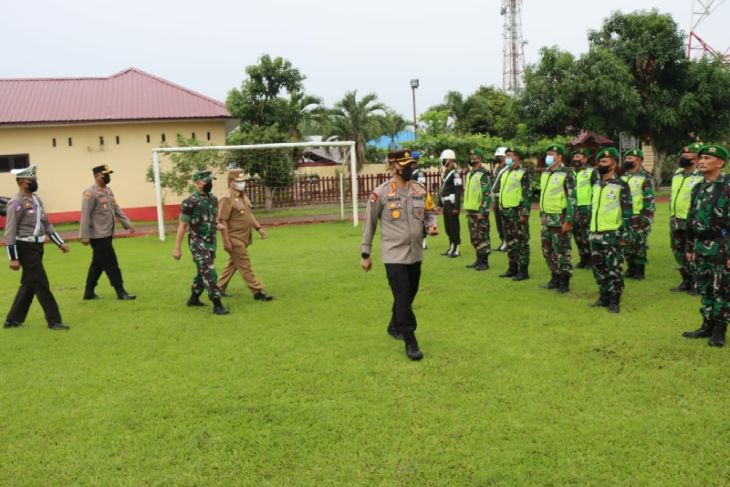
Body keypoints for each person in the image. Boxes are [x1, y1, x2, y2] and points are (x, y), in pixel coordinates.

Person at [360, 150, 439, 361]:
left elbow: (430, 212)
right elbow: (370, 223)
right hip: (394, 255)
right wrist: (365, 253)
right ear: (394, 166)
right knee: (403, 295)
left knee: (409, 293)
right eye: (406, 165)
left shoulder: (420, 190)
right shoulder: (381, 193)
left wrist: (431, 225)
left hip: (415, 253)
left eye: (412, 165)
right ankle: (410, 340)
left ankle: (394, 324)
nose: (411, 168)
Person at [4, 165, 71, 330]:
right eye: (31, 180)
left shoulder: (36, 200)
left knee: (29, 284)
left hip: (37, 246)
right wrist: (13, 257)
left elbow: (46, 224)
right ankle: (54, 321)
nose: (34, 182)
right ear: (21, 182)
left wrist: (60, 242)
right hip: (25, 246)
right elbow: (10, 231)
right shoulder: (16, 203)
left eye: (35, 179)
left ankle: (12, 319)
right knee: (41, 283)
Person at [682, 144, 729, 347]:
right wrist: (690, 247)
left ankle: (719, 330)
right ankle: (707, 324)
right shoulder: (698, 187)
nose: (701, 161)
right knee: (704, 286)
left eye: (708, 158)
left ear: (720, 163)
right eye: (700, 158)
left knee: (722, 289)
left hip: (721, 245)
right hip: (701, 245)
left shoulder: (727, 186)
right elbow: (691, 219)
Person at [172, 170, 229, 315]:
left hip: (211, 241)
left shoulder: (213, 199)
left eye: (210, 180)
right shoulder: (189, 202)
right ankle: (217, 304)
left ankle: (193, 299)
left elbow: (213, 218)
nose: (209, 183)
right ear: (197, 183)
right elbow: (182, 226)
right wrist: (177, 248)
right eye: (205, 181)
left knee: (201, 272)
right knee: (210, 272)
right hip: (197, 242)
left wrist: (218, 225)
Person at [79, 164, 136, 300]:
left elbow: (116, 209)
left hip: (107, 233)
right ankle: (120, 291)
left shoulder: (108, 191)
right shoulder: (90, 193)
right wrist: (84, 235)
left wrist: (127, 224)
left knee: (97, 264)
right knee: (111, 264)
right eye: (105, 174)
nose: (108, 176)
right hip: (98, 236)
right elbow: (85, 214)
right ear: (97, 176)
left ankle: (89, 292)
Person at [216, 169, 273, 302]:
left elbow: (249, 214)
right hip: (234, 238)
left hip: (244, 237)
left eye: (243, 181)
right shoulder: (226, 199)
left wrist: (258, 227)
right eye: (239, 181)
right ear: (231, 183)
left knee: (234, 264)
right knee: (245, 265)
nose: (242, 184)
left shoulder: (243, 196)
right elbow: (222, 220)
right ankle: (257, 291)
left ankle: (218, 288)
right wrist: (226, 241)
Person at [589, 148, 634, 313]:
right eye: (600, 161)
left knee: (613, 268)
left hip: (612, 233)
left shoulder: (621, 185)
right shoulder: (596, 184)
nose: (601, 164)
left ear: (614, 164)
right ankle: (603, 296)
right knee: (598, 267)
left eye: (605, 162)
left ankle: (615, 300)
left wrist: (625, 233)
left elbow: (628, 211)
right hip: (595, 232)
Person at [539, 144, 577, 293]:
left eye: (552, 153)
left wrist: (568, 220)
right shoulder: (545, 173)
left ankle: (564, 281)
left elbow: (572, 198)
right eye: (547, 153)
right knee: (547, 250)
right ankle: (554, 276)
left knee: (562, 250)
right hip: (546, 217)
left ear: (559, 157)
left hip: (559, 218)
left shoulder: (567, 173)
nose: (548, 156)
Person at [669, 143, 704, 293]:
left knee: (693, 252)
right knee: (678, 251)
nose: (683, 158)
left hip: (690, 220)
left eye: (687, 156)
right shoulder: (678, 173)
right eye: (683, 155)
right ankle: (686, 280)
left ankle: (696, 283)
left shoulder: (701, 176)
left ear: (696, 159)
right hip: (675, 218)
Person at [497, 146, 531, 281]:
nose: (507, 158)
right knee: (510, 241)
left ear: (517, 157)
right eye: (506, 156)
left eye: (509, 155)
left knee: (521, 241)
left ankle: (523, 270)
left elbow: (526, 195)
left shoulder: (523, 173)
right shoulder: (505, 172)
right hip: (505, 210)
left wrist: (524, 213)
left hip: (517, 212)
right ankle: (512, 268)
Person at [621, 149, 655, 280]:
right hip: (624, 216)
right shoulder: (622, 177)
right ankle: (631, 267)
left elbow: (649, 199)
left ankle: (640, 270)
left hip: (639, 216)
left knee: (639, 244)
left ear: (640, 161)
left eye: (631, 158)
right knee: (626, 244)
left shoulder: (646, 177)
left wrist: (646, 218)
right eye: (626, 158)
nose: (627, 161)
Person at [464, 149, 493, 270]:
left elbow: (486, 194)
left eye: (474, 157)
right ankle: (478, 259)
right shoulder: (470, 174)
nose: (472, 159)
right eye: (471, 156)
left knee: (482, 235)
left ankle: (484, 262)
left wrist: (483, 210)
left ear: (480, 159)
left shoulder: (483, 174)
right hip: (470, 210)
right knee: (474, 236)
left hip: (479, 211)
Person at [572, 148, 598, 269]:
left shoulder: (592, 172)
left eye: (578, 157)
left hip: (587, 208)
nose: (575, 159)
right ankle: (583, 258)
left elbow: (596, 190)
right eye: (575, 157)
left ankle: (591, 260)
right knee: (577, 235)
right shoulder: (570, 172)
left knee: (587, 235)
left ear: (585, 159)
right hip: (573, 208)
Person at [438, 149, 462, 257]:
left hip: (452, 203)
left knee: (454, 226)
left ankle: (456, 248)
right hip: (446, 203)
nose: (443, 161)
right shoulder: (446, 172)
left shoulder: (455, 173)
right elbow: (442, 189)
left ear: (450, 160)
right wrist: (440, 204)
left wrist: (457, 206)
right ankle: (451, 246)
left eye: (444, 159)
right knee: (448, 227)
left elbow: (458, 190)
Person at [491, 147, 509, 251]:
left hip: (503, 198)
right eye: (497, 156)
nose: (498, 158)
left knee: (504, 221)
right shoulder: (496, 168)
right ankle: (503, 240)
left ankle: (507, 241)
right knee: (498, 221)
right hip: (496, 197)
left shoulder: (507, 168)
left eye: (500, 157)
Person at [411, 151, 429, 249]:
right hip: (410, 200)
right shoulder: (409, 172)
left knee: (420, 221)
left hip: (418, 199)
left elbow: (422, 187)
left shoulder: (420, 173)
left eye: (413, 160)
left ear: (417, 160)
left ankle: (423, 241)